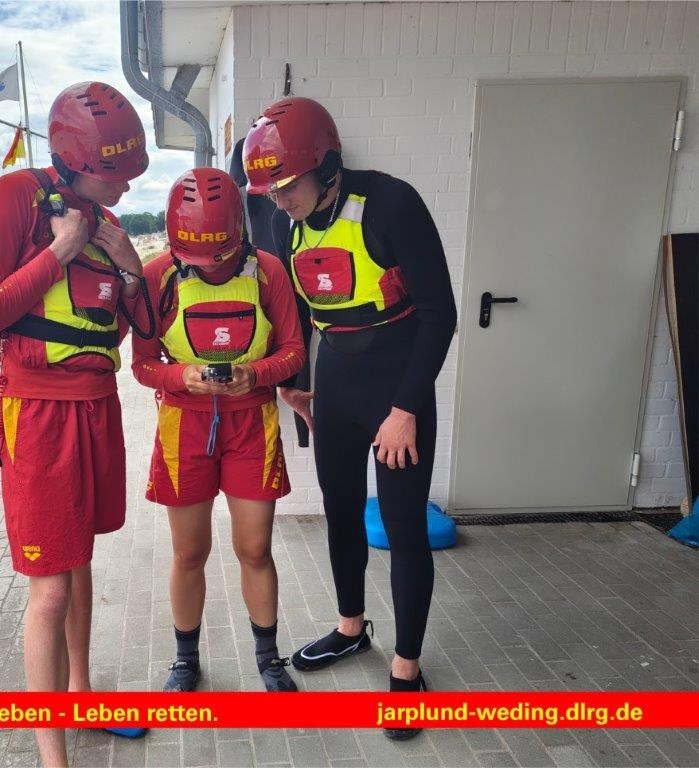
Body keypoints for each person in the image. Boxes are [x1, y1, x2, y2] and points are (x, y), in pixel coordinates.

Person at [243, 97, 458, 740]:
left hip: (397, 384)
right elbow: (302, 308)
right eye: (269, 191)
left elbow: (440, 314)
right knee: (340, 511)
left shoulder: (391, 204)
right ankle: (350, 627)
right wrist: (297, 383)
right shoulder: (285, 223)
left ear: (327, 165)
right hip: (336, 381)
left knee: (403, 526)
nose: (278, 200)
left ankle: (407, 667)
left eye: (287, 185)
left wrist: (406, 409)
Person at [0, 81, 150, 766]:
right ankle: (53, 756)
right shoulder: (16, 197)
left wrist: (130, 272)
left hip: (98, 406)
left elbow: (128, 332)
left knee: (80, 561)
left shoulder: (104, 220)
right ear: (75, 160)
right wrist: (60, 251)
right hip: (39, 412)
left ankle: (82, 696)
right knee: (49, 587)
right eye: (114, 174)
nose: (126, 187)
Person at [132, 168, 306, 693]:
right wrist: (180, 377)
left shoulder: (268, 271)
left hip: (252, 424)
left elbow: (294, 351)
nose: (210, 266)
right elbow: (142, 364)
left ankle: (268, 658)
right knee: (189, 553)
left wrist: (256, 374)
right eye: (198, 258)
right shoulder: (158, 276)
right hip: (183, 427)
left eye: (221, 256)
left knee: (255, 549)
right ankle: (185, 660)